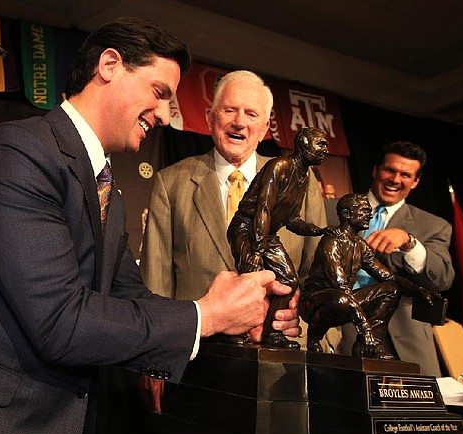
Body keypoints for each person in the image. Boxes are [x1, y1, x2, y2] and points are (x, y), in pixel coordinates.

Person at [0, 18, 300, 434]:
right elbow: (59, 321)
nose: (166, 113)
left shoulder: (106, 185)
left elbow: (129, 300)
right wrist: (204, 315)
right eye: (159, 90)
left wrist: (234, 315)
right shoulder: (16, 154)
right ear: (109, 65)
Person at [140, 71, 325, 346]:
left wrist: (307, 329)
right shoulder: (171, 183)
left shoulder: (303, 183)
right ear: (210, 119)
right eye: (230, 110)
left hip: (282, 357)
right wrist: (154, 357)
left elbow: (319, 277)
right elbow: (155, 283)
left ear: (263, 130)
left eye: (251, 114)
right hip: (197, 357)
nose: (239, 122)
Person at [327, 141, 454, 376]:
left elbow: (442, 279)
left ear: (415, 182)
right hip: (337, 332)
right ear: (376, 170)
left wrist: (409, 243)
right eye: (390, 170)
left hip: (403, 342)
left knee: (414, 413)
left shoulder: (434, 226)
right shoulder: (329, 210)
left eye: (405, 174)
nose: (395, 179)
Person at [228, 127, 333, 348]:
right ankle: (236, 334)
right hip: (247, 228)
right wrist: (256, 251)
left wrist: (317, 230)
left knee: (288, 280)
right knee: (251, 277)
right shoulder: (280, 166)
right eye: (320, 144)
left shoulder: (304, 176)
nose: (325, 149)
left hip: (269, 233)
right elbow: (263, 209)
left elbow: (292, 219)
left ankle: (271, 333)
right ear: (304, 144)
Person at [301, 193, 438, 359]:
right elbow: (340, 286)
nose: (370, 215)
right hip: (317, 303)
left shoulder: (360, 245)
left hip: (346, 300)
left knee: (391, 289)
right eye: (364, 211)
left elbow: (387, 276)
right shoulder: (331, 242)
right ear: (346, 214)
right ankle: (315, 338)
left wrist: (417, 291)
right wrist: (365, 329)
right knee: (341, 299)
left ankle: (368, 348)